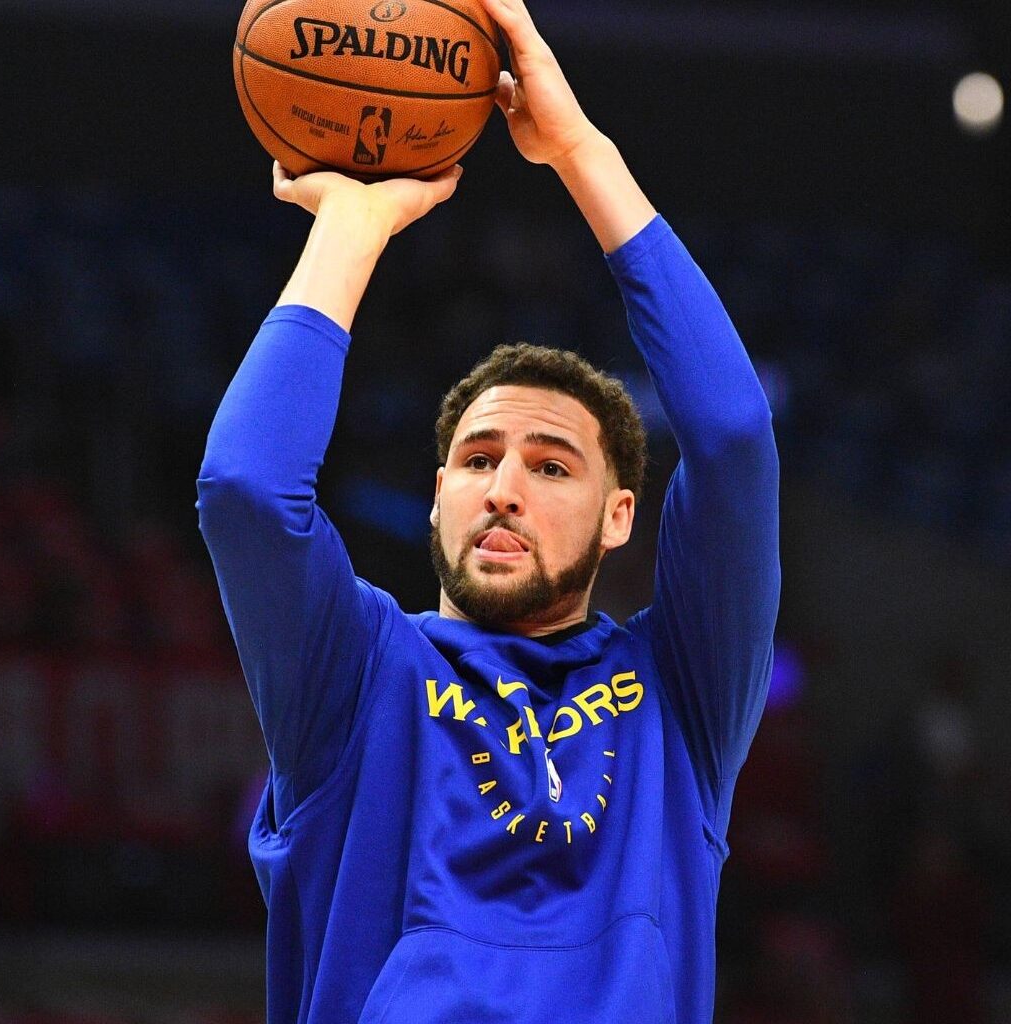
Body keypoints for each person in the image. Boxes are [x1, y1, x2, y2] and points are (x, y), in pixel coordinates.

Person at [194, 0, 780, 1019]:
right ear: (435, 504)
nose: (505, 484)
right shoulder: (361, 671)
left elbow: (731, 439)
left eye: (554, 467)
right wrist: (355, 222)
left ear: (620, 516)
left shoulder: (680, 692)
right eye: (477, 458)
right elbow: (247, 487)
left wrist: (580, 151)